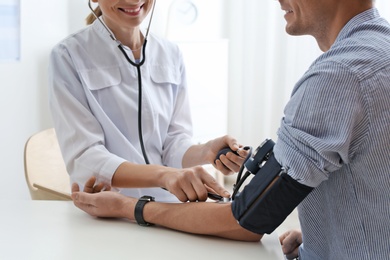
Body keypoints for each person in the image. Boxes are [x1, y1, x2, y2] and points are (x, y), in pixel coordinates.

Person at [71, 0, 390, 259]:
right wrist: (323, 234)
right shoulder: (381, 50)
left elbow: (248, 220)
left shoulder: (337, 77)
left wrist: (129, 206)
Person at [48, 0, 246, 203]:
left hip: (169, 206)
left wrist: (206, 151)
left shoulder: (170, 54)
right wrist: (164, 175)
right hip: (110, 206)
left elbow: (173, 141)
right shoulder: (69, 55)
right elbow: (85, 156)